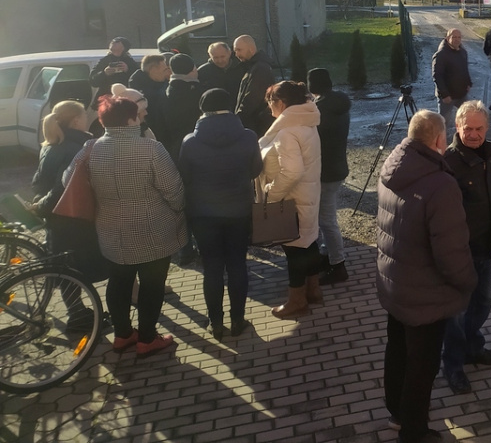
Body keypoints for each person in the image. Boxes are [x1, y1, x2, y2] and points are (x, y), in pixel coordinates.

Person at [376, 110, 476, 442]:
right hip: (426, 295)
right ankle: (414, 431)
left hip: (395, 284)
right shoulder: (440, 184)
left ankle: (397, 413)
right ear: (438, 139)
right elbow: (450, 250)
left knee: (397, 351)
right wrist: (467, 281)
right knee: (423, 365)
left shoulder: (392, 167)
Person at [63, 95, 186, 356]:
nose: (142, 119)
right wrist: (178, 210)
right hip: (153, 227)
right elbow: (173, 189)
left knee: (118, 281)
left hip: (109, 228)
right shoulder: (151, 148)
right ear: (131, 119)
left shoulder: (90, 147)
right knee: (152, 285)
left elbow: (68, 181)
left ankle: (122, 335)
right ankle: (148, 338)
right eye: (138, 115)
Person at [179, 88, 263, 339]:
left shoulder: (190, 141)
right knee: (238, 263)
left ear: (202, 110)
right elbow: (255, 169)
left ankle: (215, 322)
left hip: (203, 214)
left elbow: (185, 176)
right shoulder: (248, 136)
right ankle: (238, 319)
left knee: (212, 268)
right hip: (238, 210)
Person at [440, 101, 491, 395]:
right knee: (456, 312)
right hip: (459, 252)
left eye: (479, 128)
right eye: (467, 128)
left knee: (483, 303)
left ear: (487, 127)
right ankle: (453, 365)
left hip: (486, 246)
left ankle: (472, 347)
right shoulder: (447, 161)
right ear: (457, 127)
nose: (473, 134)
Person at [258, 80, 324, 317]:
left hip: (292, 200)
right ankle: (314, 291)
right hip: (307, 194)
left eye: (270, 102)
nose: (269, 108)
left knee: (295, 251)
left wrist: (270, 193)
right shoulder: (307, 122)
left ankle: (297, 301)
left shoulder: (286, 131)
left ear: (281, 103)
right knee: (309, 243)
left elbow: (292, 171)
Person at [31, 101, 108, 291]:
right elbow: (61, 188)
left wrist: (40, 204)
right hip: (73, 217)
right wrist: (43, 205)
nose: (87, 118)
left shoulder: (49, 145)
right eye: (83, 115)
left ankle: (78, 313)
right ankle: (82, 315)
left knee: (64, 268)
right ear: (75, 121)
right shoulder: (76, 148)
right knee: (82, 266)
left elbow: (38, 182)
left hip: (56, 219)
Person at [307, 68, 351, 285]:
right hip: (337, 168)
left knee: (326, 220)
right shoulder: (339, 103)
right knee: (327, 217)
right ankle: (328, 254)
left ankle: (337, 264)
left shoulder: (319, 110)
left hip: (325, 171)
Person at [234, 35, 275, 136]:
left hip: (256, 125)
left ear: (251, 49)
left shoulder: (260, 69)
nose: (236, 54)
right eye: (235, 51)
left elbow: (252, 98)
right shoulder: (253, 67)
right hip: (254, 124)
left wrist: (237, 119)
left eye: (239, 50)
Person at [432, 28, 472, 132]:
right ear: (447, 38)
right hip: (447, 97)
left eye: (459, 37)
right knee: (443, 124)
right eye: (454, 37)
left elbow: (465, 69)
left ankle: (464, 140)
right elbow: (437, 76)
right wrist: (444, 94)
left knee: (468, 117)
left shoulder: (462, 52)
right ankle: (439, 145)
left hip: (461, 94)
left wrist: (468, 83)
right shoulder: (441, 54)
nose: (457, 40)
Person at [165, 53, 203, 160]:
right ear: (193, 69)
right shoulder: (197, 91)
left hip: (173, 143)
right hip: (196, 141)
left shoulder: (166, 90)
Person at [128, 53, 171, 143]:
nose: (168, 72)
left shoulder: (163, 83)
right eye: (165, 69)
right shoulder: (138, 86)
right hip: (147, 133)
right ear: (153, 70)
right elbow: (154, 100)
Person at [89, 36, 135, 106]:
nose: (115, 51)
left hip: (125, 100)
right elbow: (93, 81)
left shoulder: (130, 62)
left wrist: (127, 70)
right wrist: (104, 73)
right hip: (105, 101)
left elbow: (138, 81)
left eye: (118, 48)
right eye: (113, 48)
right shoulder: (104, 61)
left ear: (124, 49)